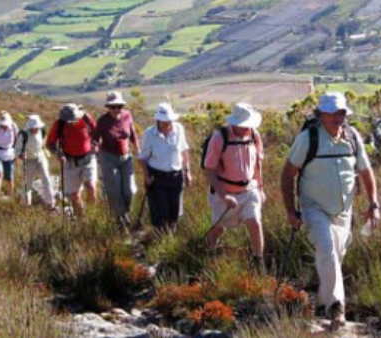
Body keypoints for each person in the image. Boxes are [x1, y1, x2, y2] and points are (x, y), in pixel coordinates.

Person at [280, 92, 378, 331]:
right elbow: (287, 174)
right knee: (326, 248)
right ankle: (337, 307)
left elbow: (366, 172)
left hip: (344, 211)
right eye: (332, 113)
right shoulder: (308, 138)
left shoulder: (352, 137)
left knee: (335, 255)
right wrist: (291, 211)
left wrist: (374, 203)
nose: (337, 117)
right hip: (313, 207)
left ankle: (323, 303)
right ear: (321, 114)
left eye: (341, 112)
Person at [203, 102, 265, 267]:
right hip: (224, 194)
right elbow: (209, 170)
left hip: (249, 191)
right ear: (234, 123)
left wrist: (260, 188)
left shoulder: (254, 135)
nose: (247, 128)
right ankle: (209, 253)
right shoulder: (219, 138)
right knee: (219, 228)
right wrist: (224, 195)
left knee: (254, 222)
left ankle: (258, 261)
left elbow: (258, 163)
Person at [138, 103, 192, 233]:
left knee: (175, 211)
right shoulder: (149, 134)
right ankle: (160, 238)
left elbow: (184, 151)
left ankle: (170, 237)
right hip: (157, 177)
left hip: (176, 176)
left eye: (169, 120)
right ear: (158, 120)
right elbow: (142, 158)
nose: (167, 123)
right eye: (164, 121)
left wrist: (187, 171)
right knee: (160, 212)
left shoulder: (179, 129)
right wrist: (146, 177)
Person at [94, 91, 141, 230]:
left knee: (130, 190)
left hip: (126, 157)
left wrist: (138, 149)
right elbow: (95, 139)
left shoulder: (127, 116)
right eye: (113, 107)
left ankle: (124, 213)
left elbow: (132, 134)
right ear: (108, 107)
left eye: (119, 106)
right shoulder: (102, 121)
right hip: (108, 157)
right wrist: (94, 149)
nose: (116, 109)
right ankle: (120, 219)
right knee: (114, 190)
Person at [46, 104, 97, 217]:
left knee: (91, 187)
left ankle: (92, 215)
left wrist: (95, 144)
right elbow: (50, 144)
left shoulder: (86, 119)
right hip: (69, 161)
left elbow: (96, 134)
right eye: (68, 121)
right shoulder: (59, 124)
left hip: (88, 158)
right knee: (74, 194)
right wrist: (59, 154)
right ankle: (82, 218)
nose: (71, 123)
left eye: (73, 120)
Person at [15, 114, 56, 210]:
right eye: (34, 127)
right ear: (30, 127)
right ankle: (25, 205)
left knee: (46, 179)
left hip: (41, 158)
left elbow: (43, 143)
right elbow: (17, 150)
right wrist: (20, 155)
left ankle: (50, 204)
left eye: (37, 127)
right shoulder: (23, 134)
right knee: (27, 183)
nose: (36, 129)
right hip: (29, 161)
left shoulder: (42, 131)